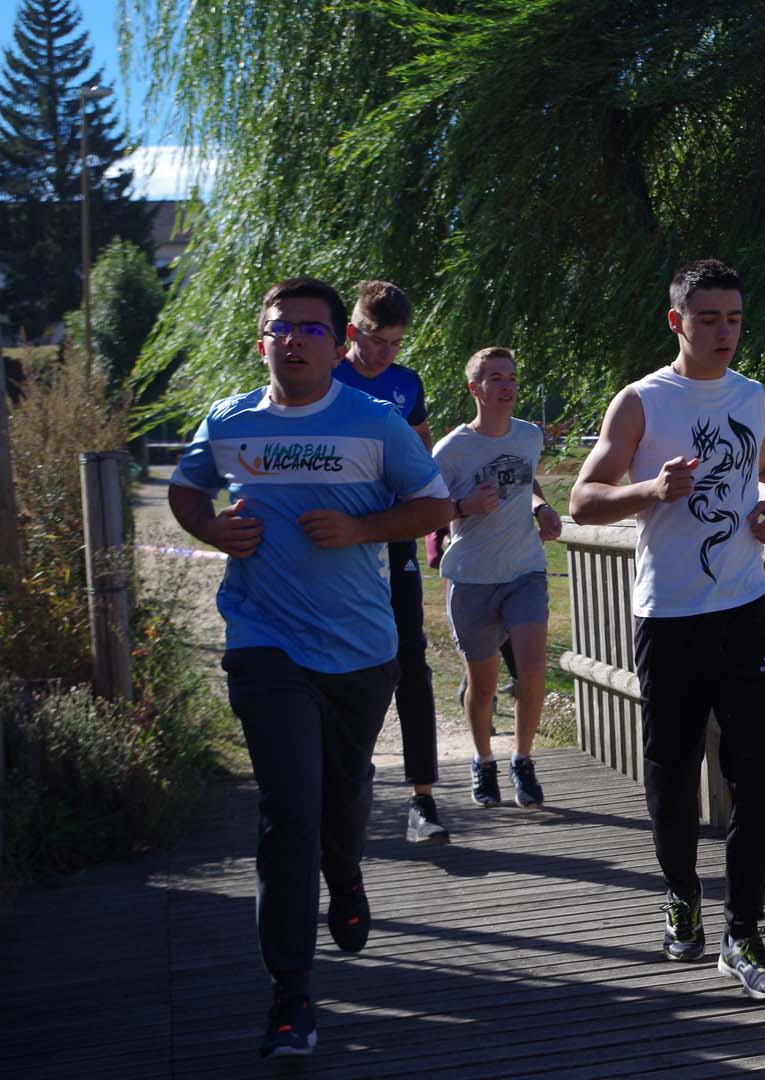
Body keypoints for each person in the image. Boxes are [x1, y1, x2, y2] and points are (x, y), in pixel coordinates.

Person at [168, 277, 452, 1058]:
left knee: (342, 795)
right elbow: (186, 492)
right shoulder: (229, 421)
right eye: (280, 328)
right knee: (289, 809)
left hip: (359, 649)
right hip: (264, 640)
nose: (294, 339)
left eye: (311, 329)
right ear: (261, 342)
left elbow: (434, 507)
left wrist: (361, 528)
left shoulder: (376, 422)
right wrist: (212, 530)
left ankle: (346, 871)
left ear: (337, 344)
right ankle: (290, 994)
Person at [569, 258, 765, 1002]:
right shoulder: (641, 401)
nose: (724, 332)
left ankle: (743, 933)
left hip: (744, 608)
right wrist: (650, 489)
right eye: (708, 318)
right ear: (677, 322)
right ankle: (680, 895)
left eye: (734, 318)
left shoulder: (752, 394)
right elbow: (582, 500)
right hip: (668, 616)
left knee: (756, 772)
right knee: (672, 778)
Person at [331, 280, 448, 845]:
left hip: (393, 534)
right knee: (342, 660)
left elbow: (421, 447)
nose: (385, 354)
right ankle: (345, 783)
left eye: (396, 343)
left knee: (411, 661)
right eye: (376, 341)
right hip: (336, 541)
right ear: (352, 332)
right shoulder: (326, 376)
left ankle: (422, 800)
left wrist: (430, 503)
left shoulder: (406, 383)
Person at [433, 347, 563, 810]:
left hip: (524, 569)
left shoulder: (529, 435)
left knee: (532, 669)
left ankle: (522, 760)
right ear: (475, 389)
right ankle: (483, 761)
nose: (506, 386)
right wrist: (464, 507)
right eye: (495, 378)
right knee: (483, 685)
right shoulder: (451, 450)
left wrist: (541, 508)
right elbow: (425, 510)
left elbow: (527, 482)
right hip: (472, 577)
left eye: (511, 378)